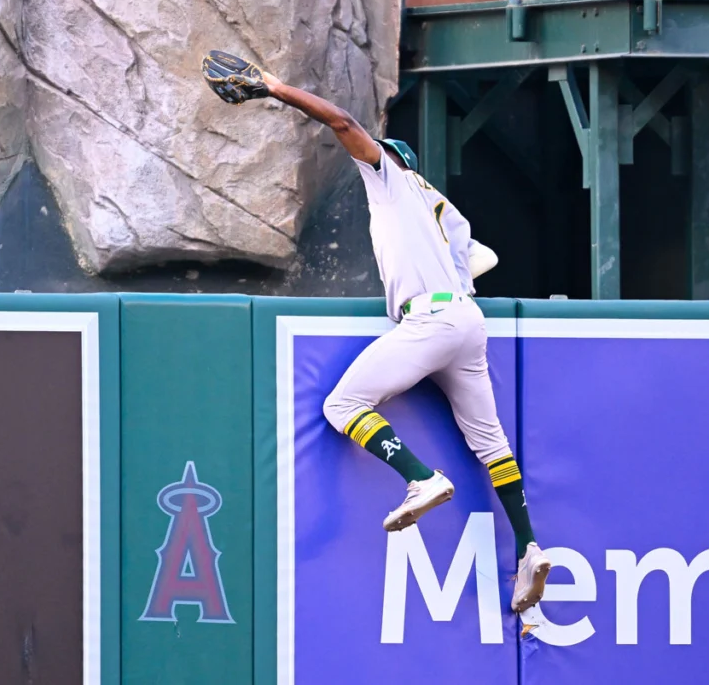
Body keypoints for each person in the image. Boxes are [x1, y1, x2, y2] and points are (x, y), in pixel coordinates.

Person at [201, 51, 550, 614]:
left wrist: (275, 88)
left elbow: (342, 122)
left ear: (391, 160)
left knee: (342, 405)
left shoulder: (389, 179)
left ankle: (420, 478)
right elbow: (483, 258)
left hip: (431, 320)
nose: (371, 154)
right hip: (466, 321)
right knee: (493, 446)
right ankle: (530, 547)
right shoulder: (441, 209)